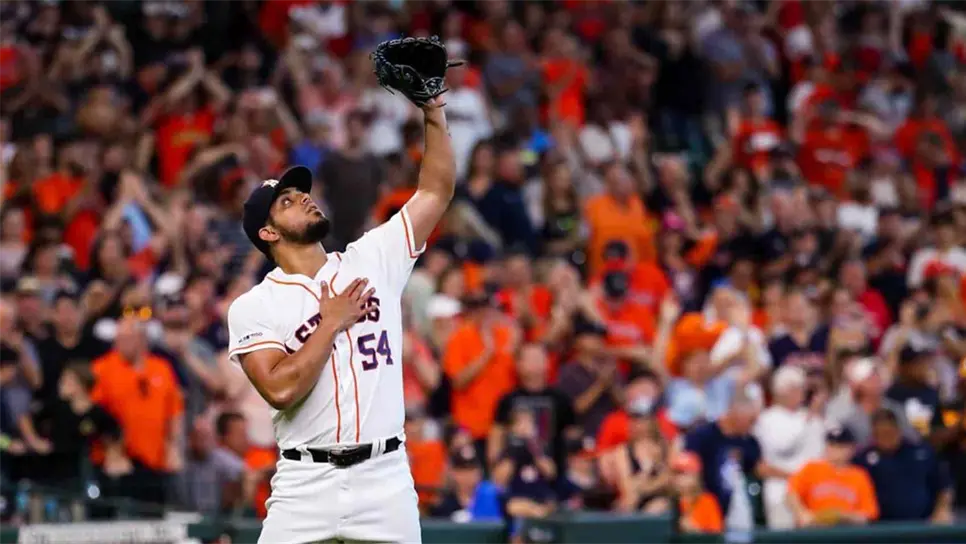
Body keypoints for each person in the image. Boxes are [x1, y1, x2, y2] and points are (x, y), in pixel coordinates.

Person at [226, 95, 455, 543]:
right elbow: (280, 389)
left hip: (384, 477)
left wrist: (432, 110)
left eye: (302, 193)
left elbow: (436, 191)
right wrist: (330, 321)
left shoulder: (372, 258)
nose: (305, 199)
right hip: (304, 483)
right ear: (268, 233)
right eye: (288, 201)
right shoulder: (254, 305)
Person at [853, 408, 954, 523]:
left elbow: (944, 486)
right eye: (881, 434)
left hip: (923, 525)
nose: (886, 438)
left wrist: (942, 510)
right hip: (879, 528)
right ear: (873, 434)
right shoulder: (862, 459)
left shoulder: (921, 452)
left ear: (898, 430)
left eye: (889, 432)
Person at [786, 427, 879, 528]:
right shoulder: (811, 468)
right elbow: (791, 494)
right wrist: (802, 514)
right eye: (832, 445)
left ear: (852, 449)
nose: (836, 450)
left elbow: (869, 514)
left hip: (846, 533)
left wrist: (842, 516)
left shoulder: (859, 475)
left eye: (841, 446)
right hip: (814, 531)